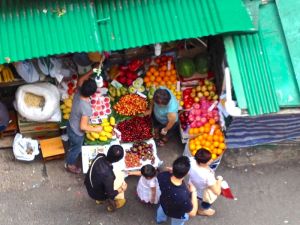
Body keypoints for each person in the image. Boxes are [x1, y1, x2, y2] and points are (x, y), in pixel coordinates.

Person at [65, 69, 103, 174]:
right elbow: (83, 127)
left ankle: (71, 145)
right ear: (92, 93)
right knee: (76, 149)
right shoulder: (86, 108)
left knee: (73, 143)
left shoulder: (78, 92)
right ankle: (70, 164)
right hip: (77, 132)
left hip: (70, 123)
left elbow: (81, 79)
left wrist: (92, 71)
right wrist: (96, 129)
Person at [156, 156, 198, 225]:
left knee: (161, 211)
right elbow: (192, 213)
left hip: (164, 203)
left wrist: (169, 172)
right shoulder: (183, 195)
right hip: (177, 213)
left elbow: (162, 176)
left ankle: (159, 221)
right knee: (177, 223)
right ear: (187, 173)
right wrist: (194, 192)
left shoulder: (162, 175)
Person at [84, 145, 128, 212]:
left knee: (103, 184)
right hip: (97, 194)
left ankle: (99, 201)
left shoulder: (100, 156)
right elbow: (110, 194)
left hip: (89, 184)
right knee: (121, 184)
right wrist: (122, 189)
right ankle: (112, 206)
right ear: (117, 160)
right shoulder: (109, 176)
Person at [188, 148, 223, 216]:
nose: (211, 160)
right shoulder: (208, 176)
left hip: (192, 185)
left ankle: (191, 202)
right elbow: (217, 192)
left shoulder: (190, 160)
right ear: (202, 163)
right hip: (202, 192)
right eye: (209, 160)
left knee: (192, 196)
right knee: (206, 202)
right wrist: (219, 180)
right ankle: (201, 210)